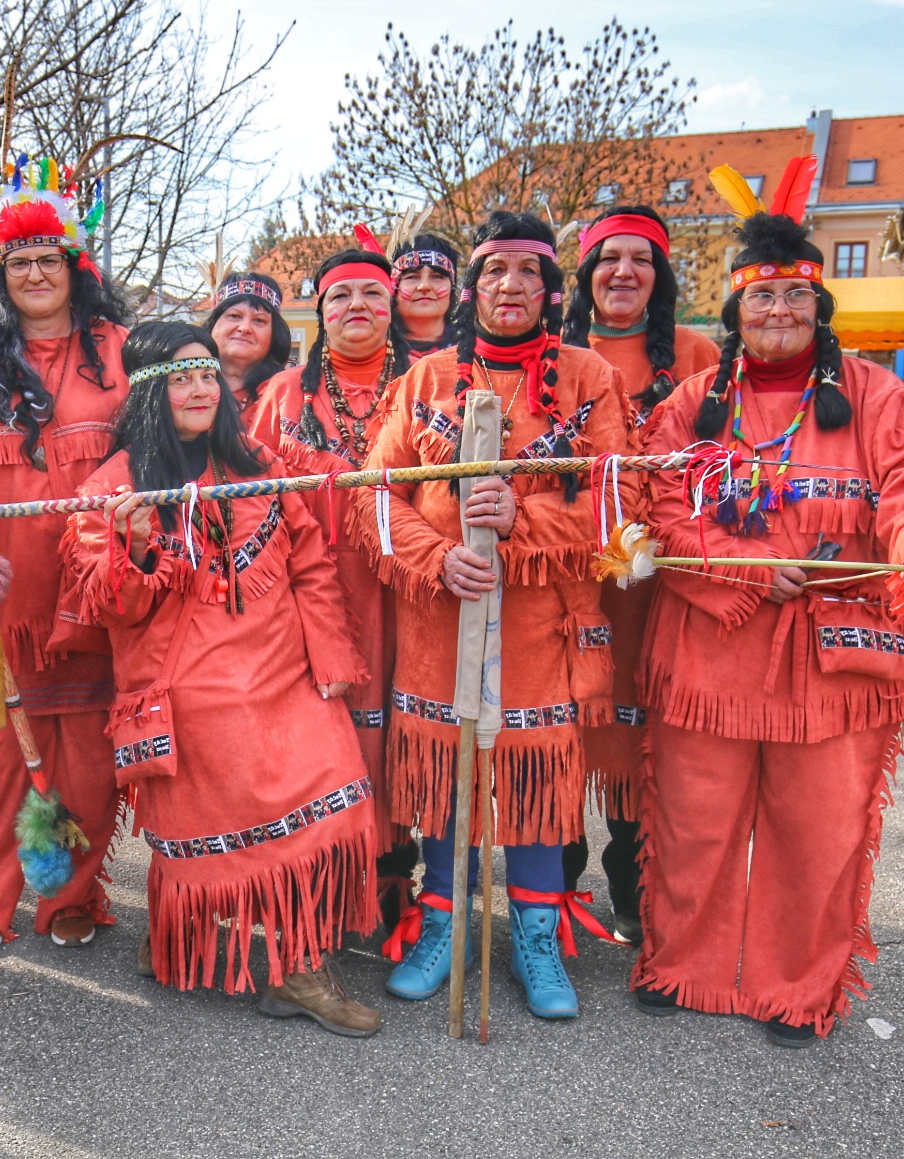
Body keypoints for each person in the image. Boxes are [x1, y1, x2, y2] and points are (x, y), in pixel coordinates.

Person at [632, 174, 904, 1048]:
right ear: (735, 308)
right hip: (715, 653)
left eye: (796, 295)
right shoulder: (692, 405)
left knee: (817, 831)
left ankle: (794, 987)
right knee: (693, 821)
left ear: (819, 305)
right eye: (762, 296)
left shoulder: (874, 396)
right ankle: (683, 966)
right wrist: (749, 566)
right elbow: (657, 503)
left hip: (836, 661)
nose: (779, 310)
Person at [62, 321, 382, 1036]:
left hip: (287, 671)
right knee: (215, 821)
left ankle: (298, 968)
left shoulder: (258, 462)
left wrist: (330, 660)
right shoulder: (111, 487)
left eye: (208, 373)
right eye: (181, 377)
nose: (202, 387)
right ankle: (182, 934)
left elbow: (309, 562)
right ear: (149, 394)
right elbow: (108, 608)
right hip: (190, 687)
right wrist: (134, 548)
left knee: (329, 799)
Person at [363, 210, 634, 1020]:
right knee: (447, 780)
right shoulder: (421, 381)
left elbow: (624, 505)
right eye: (493, 273)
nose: (509, 287)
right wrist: (435, 555)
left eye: (527, 273)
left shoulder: (589, 378)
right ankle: (442, 926)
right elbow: (374, 497)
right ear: (472, 287)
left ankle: (536, 936)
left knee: (530, 783)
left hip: (539, 629)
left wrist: (523, 523)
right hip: (440, 618)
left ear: (552, 288)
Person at [0, 154, 134, 953]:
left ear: (74, 265)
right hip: (0, 592)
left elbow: (150, 442)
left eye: (47, 259)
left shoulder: (119, 349)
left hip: (93, 590)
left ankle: (73, 898)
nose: (34, 274)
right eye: (18, 263)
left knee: (87, 757)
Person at [555, 205, 722, 943]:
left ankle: (633, 885)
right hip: (565, 573)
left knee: (638, 741)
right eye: (609, 258)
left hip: (658, 584)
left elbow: (723, 462)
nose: (624, 272)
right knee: (560, 729)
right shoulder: (554, 354)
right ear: (586, 273)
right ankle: (553, 889)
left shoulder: (696, 356)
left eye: (641, 259)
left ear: (660, 276)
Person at [247, 248, 412, 926]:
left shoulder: (424, 384)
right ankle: (321, 892)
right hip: (310, 592)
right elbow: (251, 493)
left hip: (404, 588)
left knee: (398, 741)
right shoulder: (283, 393)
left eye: (373, 296)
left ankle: (394, 888)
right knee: (319, 745)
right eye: (340, 298)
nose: (357, 310)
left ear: (392, 307)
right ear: (320, 313)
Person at [203, 273, 291, 417]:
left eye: (259, 320)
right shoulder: (180, 386)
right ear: (213, 324)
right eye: (234, 316)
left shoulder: (287, 395)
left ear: (274, 334)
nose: (245, 328)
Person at [391, 232, 461, 358]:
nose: (424, 286)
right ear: (394, 287)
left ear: (452, 286)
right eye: (412, 277)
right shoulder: (371, 349)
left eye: (437, 277)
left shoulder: (473, 349)